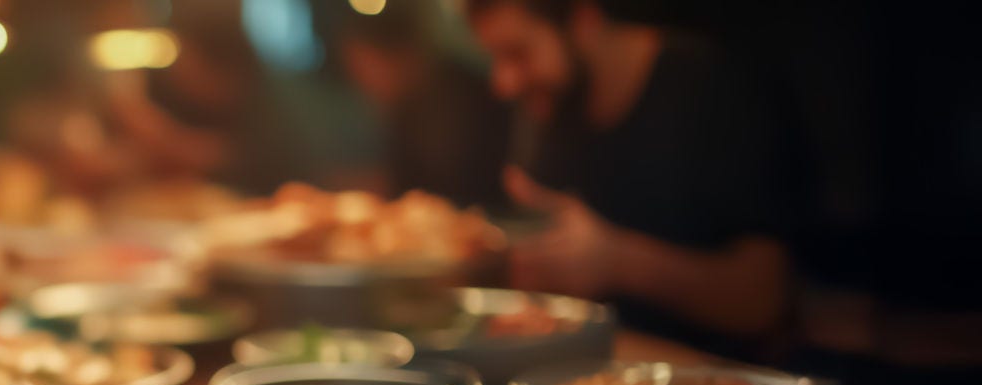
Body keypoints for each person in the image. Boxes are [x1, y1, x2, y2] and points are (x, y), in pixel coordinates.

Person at [465, 0, 793, 359]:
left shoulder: (706, 85)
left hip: (716, 373)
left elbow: (762, 301)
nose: (503, 83)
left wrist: (620, 262)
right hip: (592, 369)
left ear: (584, 19)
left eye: (518, 53)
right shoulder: (550, 102)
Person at [335, 3, 511, 210]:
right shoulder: (404, 106)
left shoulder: (457, 97)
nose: (362, 83)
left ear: (400, 55)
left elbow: (452, 189)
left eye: (364, 68)